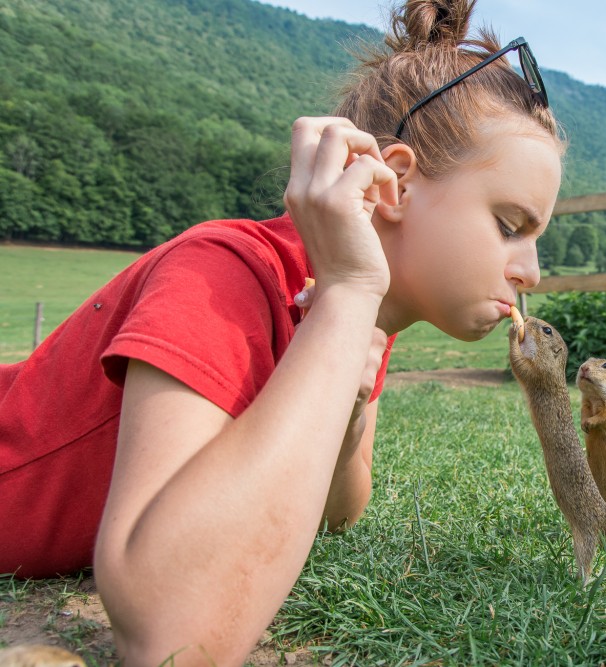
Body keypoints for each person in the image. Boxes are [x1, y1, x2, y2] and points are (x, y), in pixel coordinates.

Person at [0, 0, 563, 663]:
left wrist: (349, 389)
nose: (530, 270)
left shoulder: (359, 308)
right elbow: (169, 633)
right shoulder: (224, 271)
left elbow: (340, 508)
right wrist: (348, 297)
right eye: (510, 224)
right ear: (398, 184)